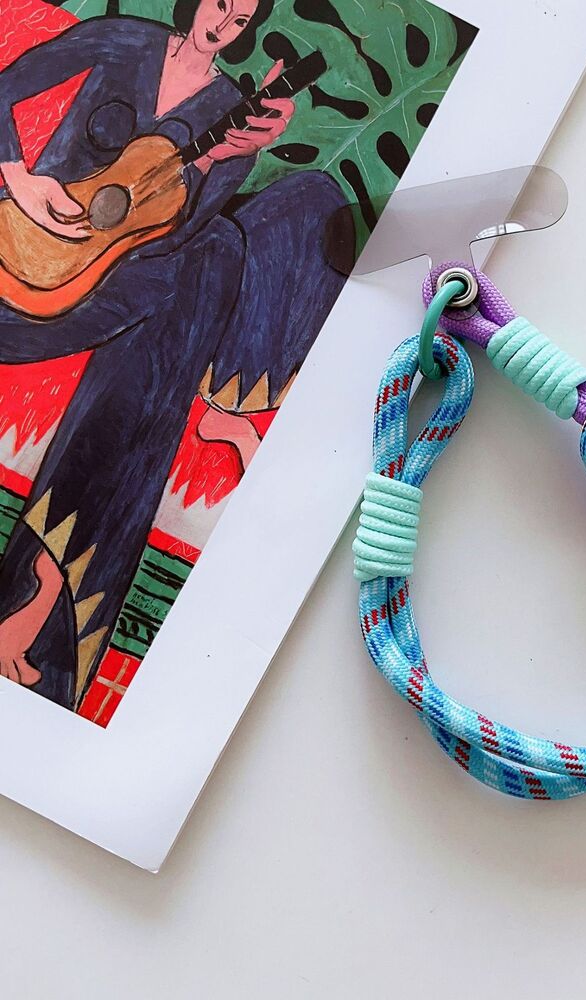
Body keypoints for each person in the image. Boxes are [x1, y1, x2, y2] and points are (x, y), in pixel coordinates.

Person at [0, 0, 351, 708]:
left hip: (120, 279)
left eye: (241, 20)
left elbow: (174, 228)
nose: (223, 23)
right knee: (205, 269)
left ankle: (36, 605)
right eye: (220, 3)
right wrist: (19, 176)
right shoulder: (122, 40)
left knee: (291, 213)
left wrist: (226, 157)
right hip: (28, 262)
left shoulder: (227, 106)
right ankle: (45, 617)